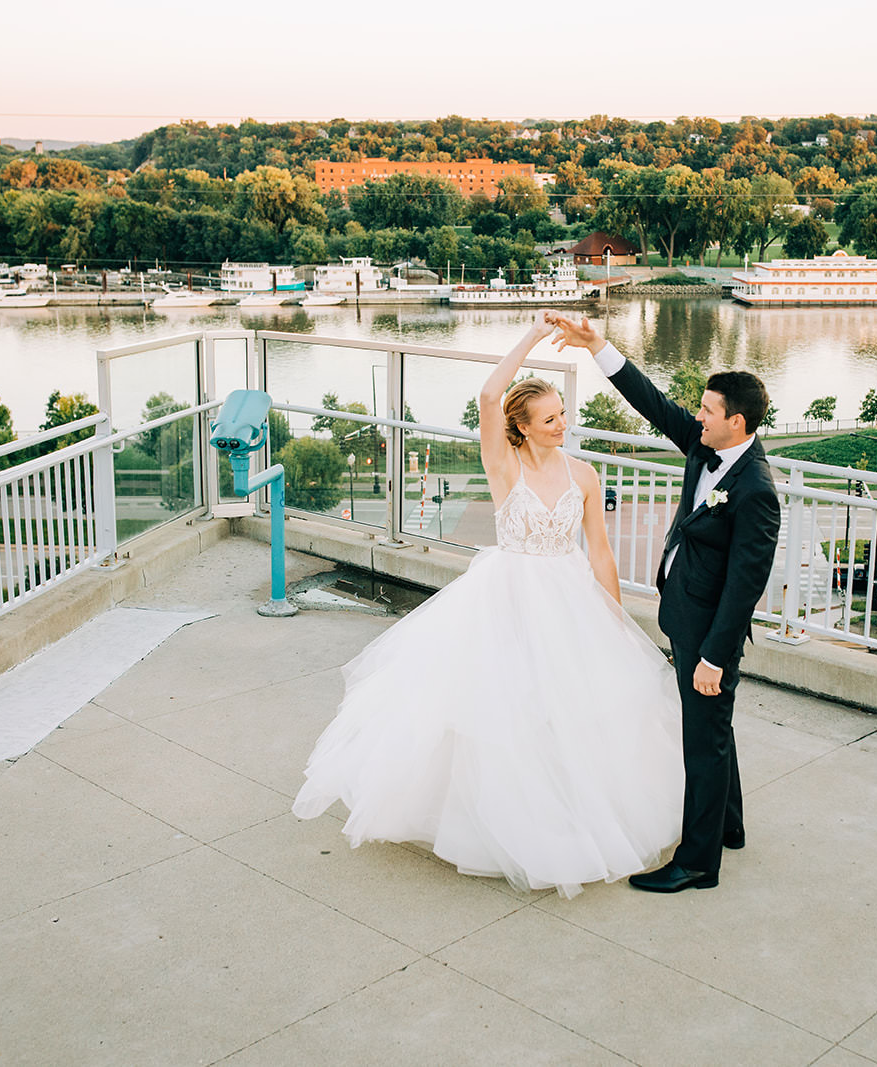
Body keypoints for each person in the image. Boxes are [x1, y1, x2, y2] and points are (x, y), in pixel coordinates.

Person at [292, 316, 683, 898]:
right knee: (505, 707)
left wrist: (613, 616)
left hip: (569, 598)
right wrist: (528, 340)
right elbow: (488, 395)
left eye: (562, 415)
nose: (561, 425)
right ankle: (498, 823)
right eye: (549, 419)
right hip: (507, 595)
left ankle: (567, 813)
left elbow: (600, 551)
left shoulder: (584, 474)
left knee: (570, 708)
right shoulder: (504, 465)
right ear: (520, 429)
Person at [548, 312, 781, 893]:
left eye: (707, 409)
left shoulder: (755, 491)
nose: (696, 415)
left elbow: (745, 586)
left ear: (738, 422)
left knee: (701, 741)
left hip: (709, 634)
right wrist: (598, 346)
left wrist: (714, 657)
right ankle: (728, 826)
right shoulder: (706, 448)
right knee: (712, 729)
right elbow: (653, 404)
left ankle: (699, 863)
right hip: (684, 614)